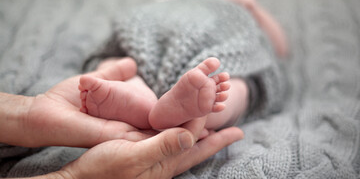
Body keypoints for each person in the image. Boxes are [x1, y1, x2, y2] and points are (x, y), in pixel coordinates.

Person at [78, 0, 288, 132]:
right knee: (120, 62)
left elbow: (280, 48)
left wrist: (254, 8)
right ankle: (135, 99)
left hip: (222, 46)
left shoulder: (244, 14)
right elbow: (152, 10)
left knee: (228, 86)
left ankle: (195, 111)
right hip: (156, 37)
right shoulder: (178, 2)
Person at [0, 58, 244, 178]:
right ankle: (166, 110)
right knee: (120, 63)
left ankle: (166, 106)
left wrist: (26, 117)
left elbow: (281, 47)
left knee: (236, 88)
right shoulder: (173, 1)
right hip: (158, 58)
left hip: (153, 62)